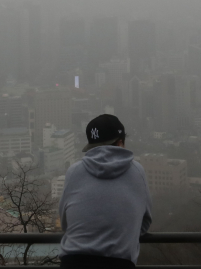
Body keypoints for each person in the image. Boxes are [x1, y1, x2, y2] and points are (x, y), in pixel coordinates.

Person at [58, 113, 153, 269]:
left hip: (73, 262)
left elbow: (65, 222)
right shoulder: (137, 171)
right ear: (121, 143)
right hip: (119, 262)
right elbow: (146, 221)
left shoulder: (74, 171)